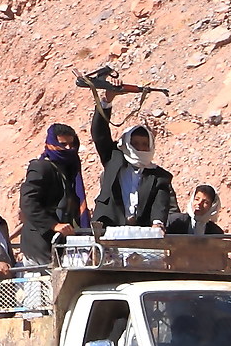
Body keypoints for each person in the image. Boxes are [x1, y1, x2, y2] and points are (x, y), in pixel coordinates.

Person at [90, 93, 177, 232]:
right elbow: (99, 134)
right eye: (135, 143)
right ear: (127, 143)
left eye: (145, 144)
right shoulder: (114, 158)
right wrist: (107, 102)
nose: (140, 148)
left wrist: (157, 223)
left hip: (140, 232)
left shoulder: (159, 176)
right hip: (108, 226)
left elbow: (160, 203)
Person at [18, 123, 87, 263]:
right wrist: (53, 225)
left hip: (62, 238)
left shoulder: (69, 168)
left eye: (71, 144)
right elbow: (28, 202)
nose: (68, 149)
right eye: (63, 144)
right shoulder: (41, 167)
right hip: (41, 242)